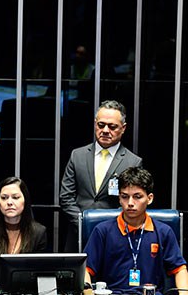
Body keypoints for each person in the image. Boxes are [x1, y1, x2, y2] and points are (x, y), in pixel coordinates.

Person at [83, 167, 188, 295]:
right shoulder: (102, 231)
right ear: (119, 198)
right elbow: (85, 270)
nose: (130, 203)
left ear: (149, 199)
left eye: (137, 197)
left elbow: (180, 270)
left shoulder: (163, 232)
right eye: (124, 197)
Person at [59, 100, 143, 252]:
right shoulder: (77, 155)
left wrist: (105, 226)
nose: (105, 130)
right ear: (95, 124)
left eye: (112, 127)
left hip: (114, 236)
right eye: (101, 125)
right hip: (78, 234)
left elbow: (132, 202)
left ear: (123, 128)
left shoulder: (133, 162)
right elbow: (66, 197)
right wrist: (84, 223)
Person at [0, 176, 47, 281]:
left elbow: (40, 273)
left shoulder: (39, 233)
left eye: (15, 197)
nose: (9, 202)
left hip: (24, 292)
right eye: (4, 197)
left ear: (25, 201)